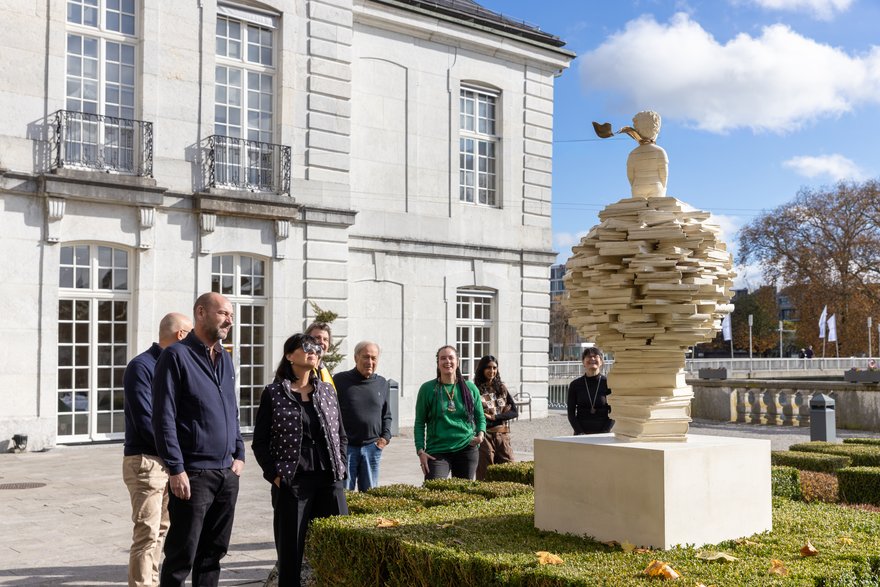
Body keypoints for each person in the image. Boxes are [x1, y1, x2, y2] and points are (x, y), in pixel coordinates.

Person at [152, 292, 245, 587]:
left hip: (226, 473)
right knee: (182, 555)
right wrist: (177, 468)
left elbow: (232, 408)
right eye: (224, 313)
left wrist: (239, 452)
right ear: (201, 313)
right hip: (193, 474)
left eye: (231, 315)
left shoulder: (225, 358)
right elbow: (163, 417)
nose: (230, 320)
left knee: (213, 555)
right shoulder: (176, 356)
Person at [252, 333, 348, 587]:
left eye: (317, 347)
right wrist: (274, 474)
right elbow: (259, 442)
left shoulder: (327, 390)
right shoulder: (274, 393)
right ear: (289, 355)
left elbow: (340, 434)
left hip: (330, 481)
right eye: (306, 347)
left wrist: (342, 467)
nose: (313, 351)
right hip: (294, 483)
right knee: (291, 554)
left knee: (339, 549)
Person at [123, 312, 192, 587]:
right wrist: (177, 453)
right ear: (181, 335)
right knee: (147, 534)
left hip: (169, 461)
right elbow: (145, 421)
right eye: (191, 333)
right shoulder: (142, 366)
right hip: (147, 461)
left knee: (161, 531)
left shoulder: (176, 365)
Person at [414, 345, 486, 480]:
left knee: (465, 494)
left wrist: (480, 434)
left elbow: (480, 416)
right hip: (437, 450)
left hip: (467, 448)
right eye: (443, 358)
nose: (447, 361)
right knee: (434, 491)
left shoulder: (470, 388)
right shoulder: (427, 389)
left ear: (457, 362)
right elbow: (419, 422)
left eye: (451, 358)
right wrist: (420, 451)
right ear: (438, 363)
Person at [334, 340, 392, 491]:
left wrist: (385, 438)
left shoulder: (382, 383)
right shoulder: (340, 381)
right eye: (366, 357)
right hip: (347, 449)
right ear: (356, 358)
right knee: (344, 495)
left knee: (370, 495)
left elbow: (386, 414)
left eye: (374, 358)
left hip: (372, 448)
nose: (370, 362)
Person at [473, 355, 517, 481]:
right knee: (485, 474)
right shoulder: (475, 389)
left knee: (510, 471)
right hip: (485, 436)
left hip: (503, 436)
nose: (492, 371)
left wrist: (493, 417)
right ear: (481, 369)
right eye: (488, 367)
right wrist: (501, 416)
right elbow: (477, 415)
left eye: (494, 368)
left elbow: (514, 412)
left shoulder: (501, 388)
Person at [567, 347, 614, 435]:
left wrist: (604, 432)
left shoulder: (609, 384)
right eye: (588, 356)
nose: (592, 359)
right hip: (581, 432)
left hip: (603, 434)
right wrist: (580, 433)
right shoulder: (575, 385)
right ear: (583, 362)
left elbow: (614, 412)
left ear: (601, 362)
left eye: (596, 356)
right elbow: (571, 414)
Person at [305, 321, 335, 389]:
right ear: (306, 341)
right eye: (317, 338)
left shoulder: (325, 371)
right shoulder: (299, 369)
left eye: (325, 339)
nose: (322, 342)